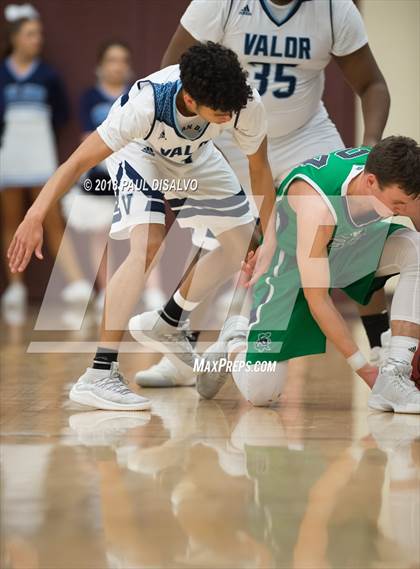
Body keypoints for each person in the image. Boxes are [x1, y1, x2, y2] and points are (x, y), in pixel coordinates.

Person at [136, 0, 394, 387]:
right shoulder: (221, 4)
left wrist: (371, 148)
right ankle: (182, 353)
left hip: (306, 135)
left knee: (357, 224)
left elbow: (373, 84)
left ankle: (382, 349)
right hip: (228, 132)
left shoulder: (332, 8)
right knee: (217, 241)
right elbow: (172, 70)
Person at [8, 42, 275, 411]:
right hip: (140, 154)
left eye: (232, 109)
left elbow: (260, 170)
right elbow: (75, 163)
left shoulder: (242, 104)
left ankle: (168, 321)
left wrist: (270, 235)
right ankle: (99, 373)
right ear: (191, 99)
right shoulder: (146, 106)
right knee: (147, 242)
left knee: (244, 243)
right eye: (220, 112)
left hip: (195, 159)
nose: (229, 117)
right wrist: (35, 215)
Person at [196, 137, 420, 414]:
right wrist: (370, 375)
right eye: (396, 203)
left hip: (349, 247)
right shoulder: (318, 208)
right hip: (290, 269)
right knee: (262, 391)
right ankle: (235, 342)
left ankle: (397, 372)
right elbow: (319, 301)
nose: (402, 209)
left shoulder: (399, 177)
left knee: (415, 249)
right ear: (370, 182)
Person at [62, 40, 166, 316]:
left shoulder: (139, 94)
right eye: (111, 60)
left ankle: (152, 290)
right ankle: (107, 289)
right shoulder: (89, 98)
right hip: (101, 173)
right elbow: (88, 137)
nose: (117, 66)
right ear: (100, 65)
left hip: (135, 169)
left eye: (122, 60)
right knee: (101, 232)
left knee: (144, 231)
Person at [0, 3, 90, 309]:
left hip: (40, 150)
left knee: (48, 216)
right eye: (30, 34)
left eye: (38, 34)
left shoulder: (49, 75)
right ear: (14, 38)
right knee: (11, 217)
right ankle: (15, 287)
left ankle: (77, 282)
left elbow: (61, 114)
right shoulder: (2, 73)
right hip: (9, 151)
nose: (36, 40)